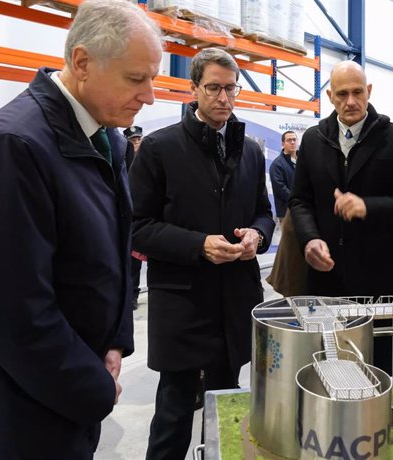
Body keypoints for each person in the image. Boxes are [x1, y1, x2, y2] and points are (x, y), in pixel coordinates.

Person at [0, 0, 162, 458]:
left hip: (72, 390)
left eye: (152, 78)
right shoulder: (10, 150)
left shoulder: (105, 139)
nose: (149, 96)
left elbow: (114, 255)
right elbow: (14, 315)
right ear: (83, 62)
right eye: (136, 79)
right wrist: (93, 387)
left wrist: (115, 343)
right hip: (20, 413)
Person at [128, 47, 274, 459]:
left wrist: (256, 238)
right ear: (194, 89)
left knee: (227, 402)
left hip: (235, 299)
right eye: (213, 88)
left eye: (231, 89)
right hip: (183, 300)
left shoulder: (250, 150)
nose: (223, 98)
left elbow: (264, 213)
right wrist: (198, 244)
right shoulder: (159, 149)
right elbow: (136, 227)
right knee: (175, 408)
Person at [289, 61, 393, 374]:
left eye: (358, 92)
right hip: (327, 275)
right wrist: (310, 239)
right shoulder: (313, 140)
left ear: (369, 91)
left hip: (379, 278)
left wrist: (367, 206)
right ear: (330, 96)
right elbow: (300, 200)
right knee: (328, 360)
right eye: (343, 94)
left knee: (378, 362)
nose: (351, 101)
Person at [123, 125, 145, 310]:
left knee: (136, 260)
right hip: (125, 218)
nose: (136, 143)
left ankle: (133, 295)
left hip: (141, 219)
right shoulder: (121, 159)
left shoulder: (148, 160)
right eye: (132, 140)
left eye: (138, 139)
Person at [269, 130, 298, 223]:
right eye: (289, 140)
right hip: (286, 212)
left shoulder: (302, 161)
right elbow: (280, 188)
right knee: (289, 238)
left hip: (302, 210)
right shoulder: (277, 164)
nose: (292, 142)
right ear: (283, 143)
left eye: (294, 139)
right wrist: (296, 201)